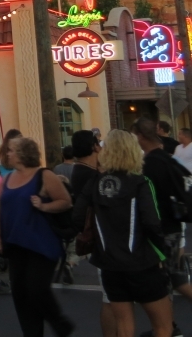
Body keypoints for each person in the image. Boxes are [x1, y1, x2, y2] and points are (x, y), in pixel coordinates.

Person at [73, 129, 172, 337]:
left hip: (109, 263)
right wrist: (163, 253)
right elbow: (152, 224)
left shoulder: (95, 182)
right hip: (141, 261)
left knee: (124, 325)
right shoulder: (141, 182)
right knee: (163, 325)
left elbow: (77, 217)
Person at [0, 137, 74, 337]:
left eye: (10, 151)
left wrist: (44, 206)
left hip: (41, 244)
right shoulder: (9, 178)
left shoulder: (44, 175)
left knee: (36, 289)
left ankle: (60, 323)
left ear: (22, 153)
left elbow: (65, 201)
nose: (7, 154)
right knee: (20, 294)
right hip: (15, 243)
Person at [133, 117, 192, 321]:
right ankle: (169, 326)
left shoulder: (149, 164)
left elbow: (149, 200)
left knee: (162, 283)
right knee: (175, 279)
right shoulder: (167, 159)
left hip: (161, 230)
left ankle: (167, 327)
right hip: (175, 226)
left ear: (140, 136)